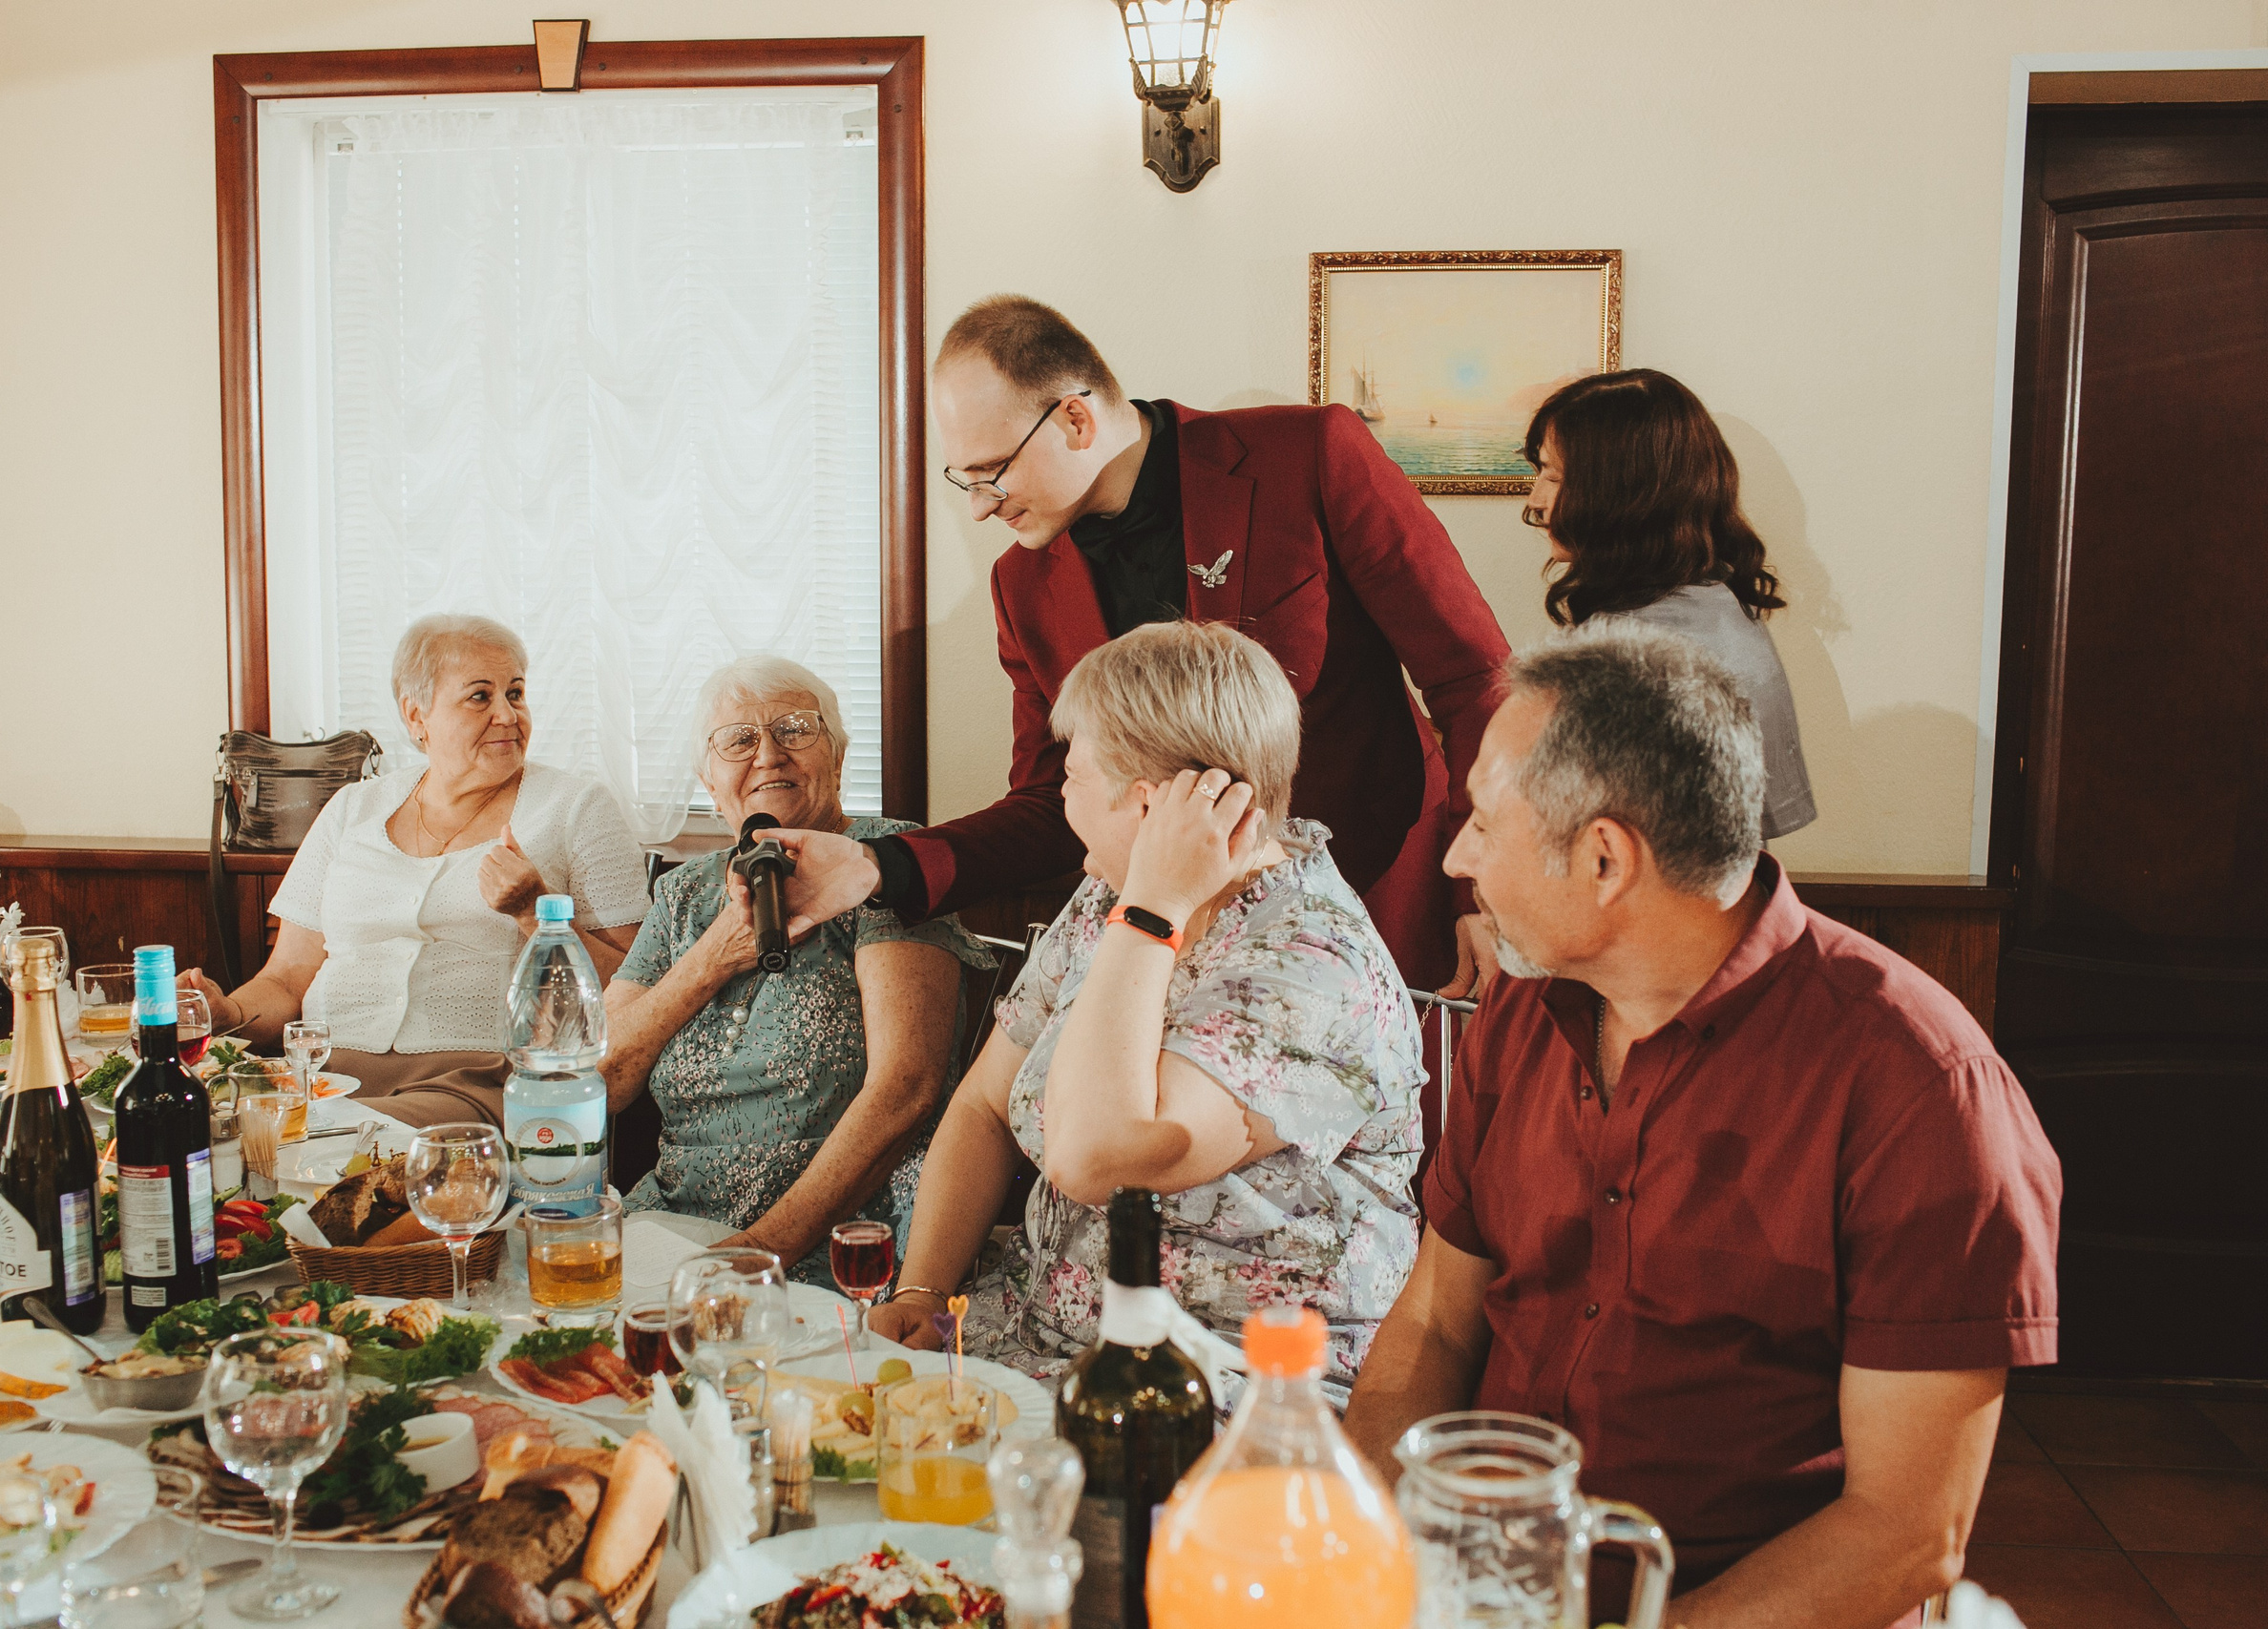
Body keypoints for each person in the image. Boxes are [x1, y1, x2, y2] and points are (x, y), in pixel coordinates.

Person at [1341, 624, 2060, 1629]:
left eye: (1480, 826)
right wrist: (1384, 1540)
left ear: (1603, 860)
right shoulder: (1520, 1015)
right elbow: (1434, 1318)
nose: (1459, 857)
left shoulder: (1919, 1091)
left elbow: (1907, 1532)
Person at [767, 297, 1508, 1149]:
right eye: (964, 482)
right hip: (1168, 955)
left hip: (1384, 907)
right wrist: (875, 865)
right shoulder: (1022, 588)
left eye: (989, 473)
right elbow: (1051, 803)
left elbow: (1473, 678)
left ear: (1075, 417)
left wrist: (1483, 887)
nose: (978, 507)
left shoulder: (1309, 454)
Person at [865, 622, 1426, 1389]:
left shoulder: (1314, 964)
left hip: (1225, 1384)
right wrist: (923, 1288)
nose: (1060, 790)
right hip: (1043, 1335)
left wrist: (1157, 902)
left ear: (1156, 806)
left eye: (1076, 770)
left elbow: (1096, 1157)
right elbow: (985, 1107)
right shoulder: (1110, 892)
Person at [601, 658, 991, 1280]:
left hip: (840, 1244)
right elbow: (605, 1078)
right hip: (669, 1227)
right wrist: (709, 958)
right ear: (708, 780)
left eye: (795, 729)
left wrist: (760, 1250)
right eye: (739, 739)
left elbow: (905, 1090)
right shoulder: (683, 896)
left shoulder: (884, 864)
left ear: (837, 759)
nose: (768, 755)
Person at [182, 614, 649, 1127]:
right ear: (416, 715)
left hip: (473, 1078)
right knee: (189, 1126)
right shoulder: (352, 808)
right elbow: (288, 979)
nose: (508, 715)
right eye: (480, 696)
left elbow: (636, 989)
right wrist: (227, 1014)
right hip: (318, 1073)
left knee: (326, 1142)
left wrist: (535, 917)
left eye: (515, 693)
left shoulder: (575, 807)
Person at [1444, 368, 1817, 1001]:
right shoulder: (1722, 610)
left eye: (1555, 476)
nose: (1535, 501)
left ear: (1620, 493)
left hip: (1644, 975)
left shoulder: (1641, 660)